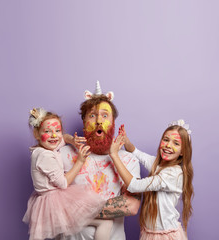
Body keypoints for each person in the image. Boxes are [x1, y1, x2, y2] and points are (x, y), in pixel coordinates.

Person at [60, 81, 141, 240]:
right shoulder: (63, 154)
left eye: (105, 115)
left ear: (113, 123)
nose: (98, 121)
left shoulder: (128, 160)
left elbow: (131, 205)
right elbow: (51, 200)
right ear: (84, 123)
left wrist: (78, 209)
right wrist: (68, 139)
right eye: (92, 115)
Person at [23, 107, 112, 240]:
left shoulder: (45, 148)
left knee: (61, 235)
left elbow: (63, 138)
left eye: (57, 130)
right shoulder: (45, 156)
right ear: (36, 134)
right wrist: (80, 161)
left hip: (49, 200)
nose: (54, 135)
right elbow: (63, 183)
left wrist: (72, 140)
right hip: (53, 202)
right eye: (47, 131)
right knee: (106, 222)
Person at [109, 120, 194, 240]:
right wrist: (126, 140)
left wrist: (114, 155)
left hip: (166, 235)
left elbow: (134, 185)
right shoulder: (159, 165)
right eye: (166, 140)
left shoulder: (173, 174)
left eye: (176, 143)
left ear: (182, 152)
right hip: (150, 233)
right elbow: (136, 152)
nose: (168, 145)